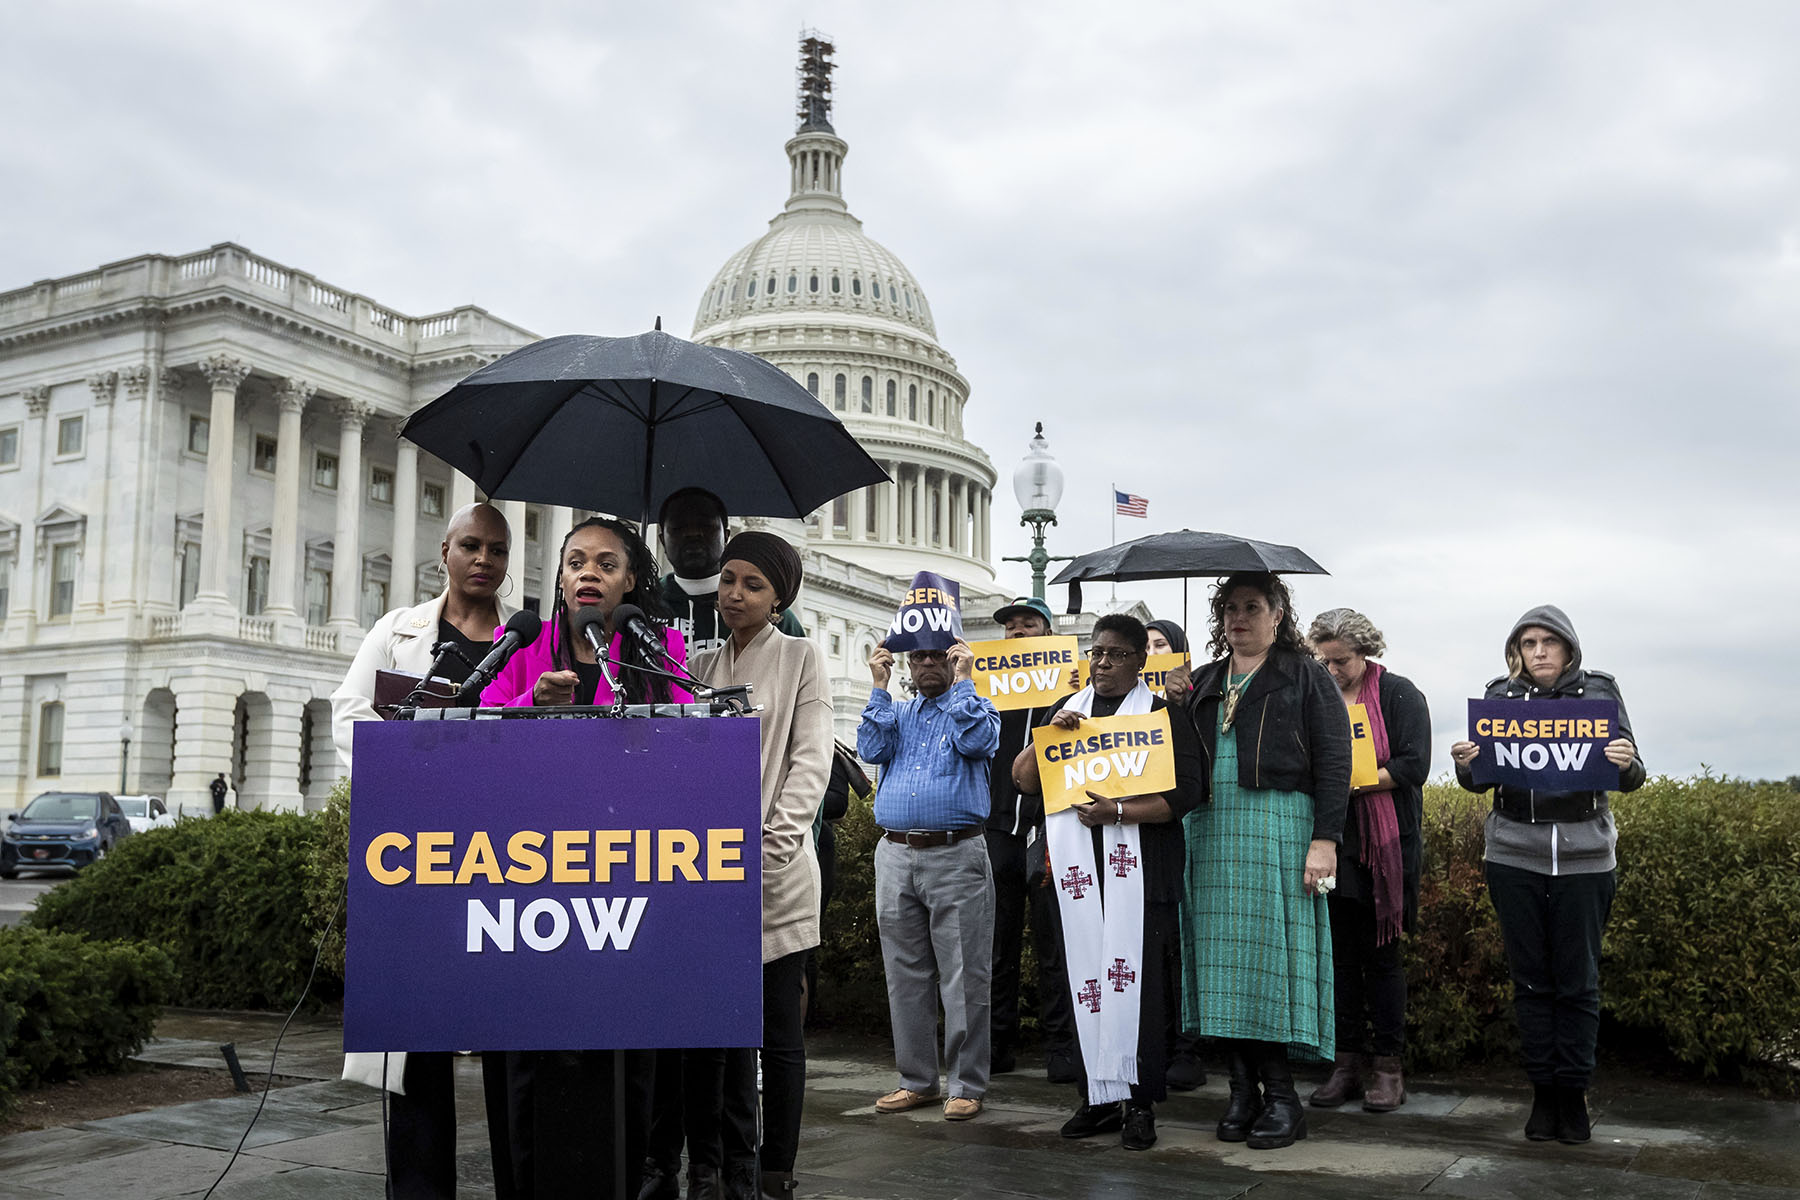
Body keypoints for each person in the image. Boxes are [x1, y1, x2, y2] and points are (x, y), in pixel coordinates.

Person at [479, 516, 688, 1200]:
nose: (588, 573)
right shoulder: (521, 646)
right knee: (530, 1061)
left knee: (621, 1064)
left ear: (630, 581)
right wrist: (527, 707)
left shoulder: (659, 651)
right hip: (531, 888)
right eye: (575, 562)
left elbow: (692, 745)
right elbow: (475, 734)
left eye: (605, 563)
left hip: (627, 889)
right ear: (561, 579)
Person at [328, 500, 512, 1200]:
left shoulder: (527, 641)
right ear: (444, 550)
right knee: (419, 1045)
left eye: (497, 550)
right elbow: (349, 717)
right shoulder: (396, 631)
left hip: (502, 860)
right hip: (416, 857)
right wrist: (411, 764)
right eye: (471, 545)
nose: (483, 560)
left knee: (507, 1040)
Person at [1164, 572, 1350, 1151]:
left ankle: (1284, 1098)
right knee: (1222, 967)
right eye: (1230, 609)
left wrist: (1326, 839)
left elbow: (1334, 759)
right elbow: (1179, 758)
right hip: (1212, 830)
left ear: (1277, 615)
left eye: (1252, 607)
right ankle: (1242, 1093)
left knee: (1268, 963)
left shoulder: (1304, 673)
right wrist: (1175, 704)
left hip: (1276, 829)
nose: (1239, 618)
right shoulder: (1205, 680)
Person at [1450, 605, 1645, 1146]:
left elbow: (1633, 776)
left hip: (1585, 857)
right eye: (1529, 642)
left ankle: (1574, 1096)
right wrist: (1467, 764)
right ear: (1517, 649)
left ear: (1569, 647)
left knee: (1577, 982)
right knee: (1531, 980)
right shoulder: (1499, 697)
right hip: (1513, 854)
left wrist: (1625, 761)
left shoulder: (1601, 694)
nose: (1539, 652)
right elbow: (1478, 784)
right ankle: (1542, 1094)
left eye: (1548, 642)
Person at [1011, 614, 1203, 1151]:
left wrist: (1119, 811)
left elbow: (1187, 793)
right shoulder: (1067, 712)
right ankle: (1097, 1096)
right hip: (1076, 875)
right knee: (1083, 981)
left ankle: (1139, 1105)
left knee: (1140, 990)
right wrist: (1048, 737)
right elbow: (1025, 780)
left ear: (1141, 661)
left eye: (1116, 654)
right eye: (1096, 652)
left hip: (1142, 871)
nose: (1101, 662)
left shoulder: (1162, 715)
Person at [690, 532, 832, 1200]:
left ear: (779, 598)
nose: (734, 595)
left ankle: (777, 1165)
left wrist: (767, 849)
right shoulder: (695, 664)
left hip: (776, 876)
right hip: (707, 878)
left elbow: (810, 765)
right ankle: (717, 1161)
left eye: (752, 584)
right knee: (717, 1034)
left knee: (777, 1033)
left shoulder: (801, 658)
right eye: (726, 580)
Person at [857, 634, 1000, 1121]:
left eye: (938, 654)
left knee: (965, 975)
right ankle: (917, 1080)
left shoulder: (978, 705)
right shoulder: (897, 712)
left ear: (954, 657)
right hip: (895, 851)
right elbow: (870, 747)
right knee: (904, 975)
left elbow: (978, 741)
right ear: (908, 664)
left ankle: (966, 1084)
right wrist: (878, 686)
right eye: (918, 656)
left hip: (956, 852)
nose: (927, 663)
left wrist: (964, 681)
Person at [1304, 608, 1431, 1114]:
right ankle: (1345, 1063)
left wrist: (1349, 778)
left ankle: (1388, 1067)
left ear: (1365, 652)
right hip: (1333, 838)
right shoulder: (1316, 694)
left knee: (1382, 959)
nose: (1332, 671)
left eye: (1341, 662)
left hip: (1386, 845)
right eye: (1324, 661)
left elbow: (1413, 765)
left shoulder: (1400, 693)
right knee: (1338, 958)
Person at [982, 595, 1078, 1082]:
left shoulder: (1068, 691)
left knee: (1053, 944)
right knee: (996, 945)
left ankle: (1061, 1046)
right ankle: (997, 1044)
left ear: (1049, 635)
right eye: (1010, 627)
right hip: (997, 825)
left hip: (1049, 827)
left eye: (1028, 625)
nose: (1017, 633)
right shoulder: (984, 690)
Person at [1141, 617, 1206, 1094]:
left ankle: (1190, 1046)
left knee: (1188, 946)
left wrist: (1180, 704)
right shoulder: (1124, 708)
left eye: (1160, 645)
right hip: (1145, 837)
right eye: (1143, 647)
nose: (1152, 653)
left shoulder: (1197, 693)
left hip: (1191, 829)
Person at [658, 488, 804, 654]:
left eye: (706, 526)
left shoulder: (772, 613)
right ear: (662, 539)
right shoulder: (643, 604)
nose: (693, 534)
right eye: (679, 528)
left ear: (725, 536)